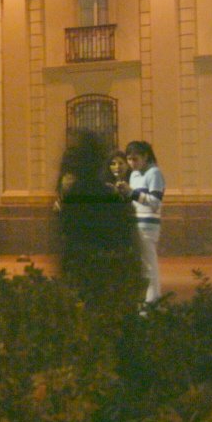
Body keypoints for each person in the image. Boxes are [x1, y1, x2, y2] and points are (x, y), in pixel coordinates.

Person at [55, 129, 140, 311]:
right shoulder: (110, 196)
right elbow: (127, 243)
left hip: (82, 280)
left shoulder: (73, 198)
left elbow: (67, 240)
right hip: (106, 283)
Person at [118, 140, 165, 305]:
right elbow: (135, 200)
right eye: (129, 159)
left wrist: (132, 193)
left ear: (146, 156)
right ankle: (146, 301)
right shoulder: (134, 174)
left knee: (149, 265)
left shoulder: (154, 173)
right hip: (136, 223)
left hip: (148, 226)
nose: (132, 163)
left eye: (135, 159)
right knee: (141, 266)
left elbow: (155, 203)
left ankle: (152, 302)